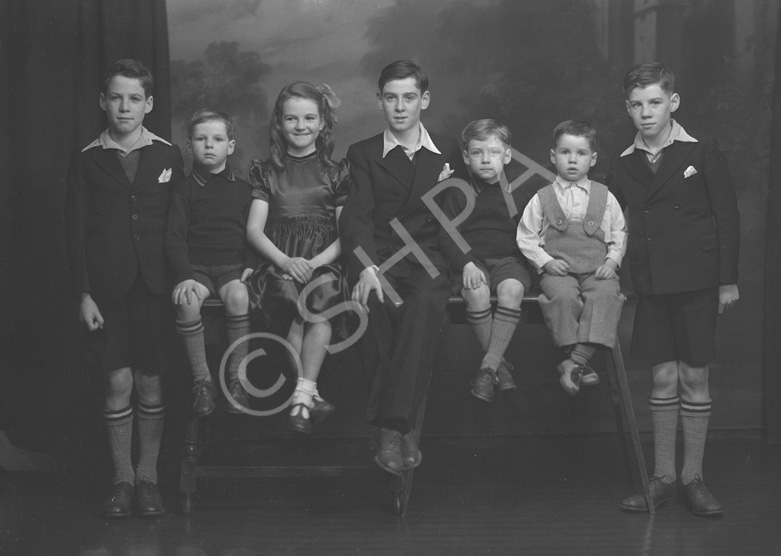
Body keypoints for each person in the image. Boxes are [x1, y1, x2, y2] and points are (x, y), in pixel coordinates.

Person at [609, 62, 740, 517]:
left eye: (656, 103)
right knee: (662, 377)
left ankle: (693, 478)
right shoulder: (622, 163)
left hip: (700, 281)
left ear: (673, 103)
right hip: (652, 284)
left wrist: (727, 280)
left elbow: (727, 216)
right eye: (637, 105)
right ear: (628, 108)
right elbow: (610, 221)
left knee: (694, 376)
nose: (647, 113)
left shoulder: (702, 152)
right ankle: (664, 477)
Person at [65, 59, 185, 518]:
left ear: (149, 104)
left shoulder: (167, 155)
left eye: (134, 98)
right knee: (117, 381)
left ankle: (149, 478)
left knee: (152, 381)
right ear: (102, 102)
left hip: (155, 288)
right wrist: (84, 293)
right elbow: (74, 231)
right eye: (115, 97)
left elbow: (175, 228)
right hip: (108, 290)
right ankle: (122, 479)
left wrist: (182, 279)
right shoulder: (86, 159)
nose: (124, 106)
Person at [339, 60, 467, 476]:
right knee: (373, 305)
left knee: (426, 303)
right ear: (380, 101)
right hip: (381, 257)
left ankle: (393, 425)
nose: (399, 107)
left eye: (408, 97)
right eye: (391, 98)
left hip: (428, 258)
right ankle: (400, 426)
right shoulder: (362, 153)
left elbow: (454, 218)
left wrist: (465, 263)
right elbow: (356, 218)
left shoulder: (447, 151)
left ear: (423, 101)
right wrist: (366, 268)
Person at [245, 82, 351, 434]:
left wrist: (316, 263)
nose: (300, 125)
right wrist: (287, 262)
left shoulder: (336, 172)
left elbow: (344, 233)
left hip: (323, 261)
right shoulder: (266, 171)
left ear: (322, 123)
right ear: (280, 122)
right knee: (289, 299)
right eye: (292, 118)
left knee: (323, 296)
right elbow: (255, 230)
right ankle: (308, 396)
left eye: (309, 118)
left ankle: (301, 397)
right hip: (281, 261)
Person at [517, 120, 627, 396]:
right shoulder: (542, 197)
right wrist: (546, 262)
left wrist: (612, 261)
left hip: (596, 269)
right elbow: (526, 236)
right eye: (565, 153)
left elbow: (619, 231)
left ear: (593, 159)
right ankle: (580, 361)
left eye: (581, 154)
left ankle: (574, 362)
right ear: (554, 157)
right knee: (562, 298)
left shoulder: (605, 196)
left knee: (607, 295)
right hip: (559, 271)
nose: (573, 160)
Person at [165, 109, 254, 417]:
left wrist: (250, 266)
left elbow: (255, 233)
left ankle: (237, 380)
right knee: (188, 301)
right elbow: (174, 238)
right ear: (189, 146)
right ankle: (203, 382)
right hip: (198, 269)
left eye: (217, 139)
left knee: (239, 296)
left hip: (232, 267)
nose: (209, 145)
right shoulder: (183, 190)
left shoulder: (243, 190)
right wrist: (185, 276)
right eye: (201, 139)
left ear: (230, 145)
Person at [439, 119, 532, 403]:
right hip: (472, 261)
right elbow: (447, 233)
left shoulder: (521, 190)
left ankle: (487, 367)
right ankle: (499, 368)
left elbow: (532, 234)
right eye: (477, 153)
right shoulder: (458, 191)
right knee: (476, 292)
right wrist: (465, 263)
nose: (486, 159)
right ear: (466, 157)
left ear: (507, 155)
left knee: (512, 291)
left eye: (493, 152)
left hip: (510, 259)